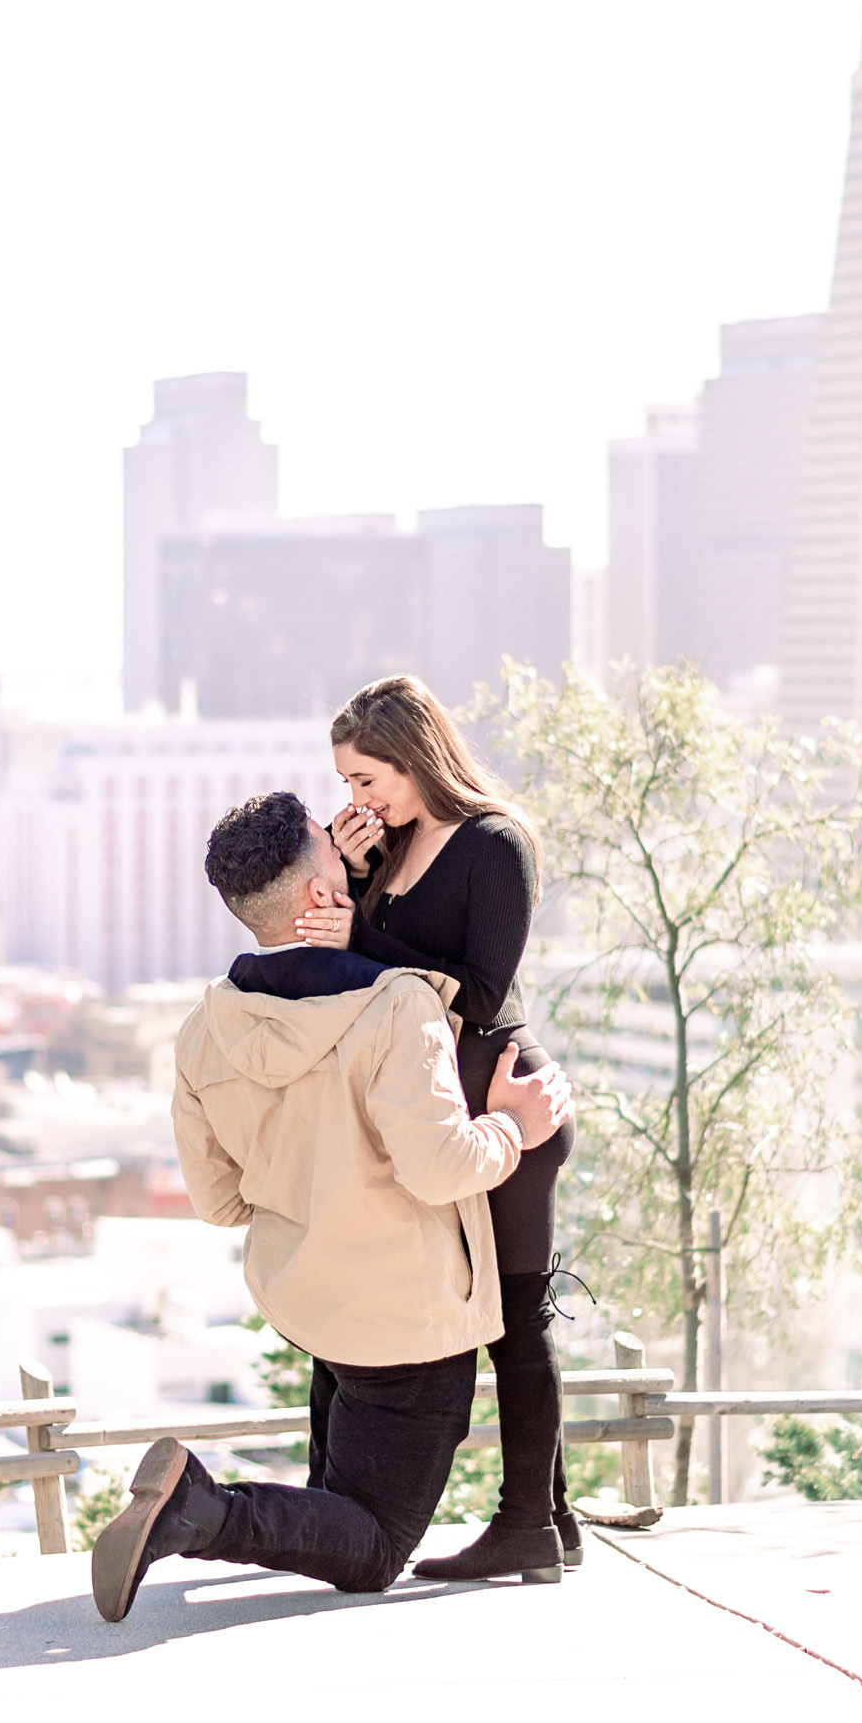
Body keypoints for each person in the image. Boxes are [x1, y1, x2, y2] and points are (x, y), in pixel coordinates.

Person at [90, 791, 573, 1620]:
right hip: (407, 1322)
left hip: (306, 1303)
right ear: (320, 897)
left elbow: (215, 1199)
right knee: (379, 1543)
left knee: (341, 1498)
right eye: (333, 851)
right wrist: (511, 1125)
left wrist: (304, 1184)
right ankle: (198, 1510)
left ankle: (212, 1507)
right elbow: (439, 1168)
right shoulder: (398, 1007)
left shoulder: (206, 1026)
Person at [293, 673, 581, 1583]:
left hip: (505, 1101)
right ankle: (554, 1520)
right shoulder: (401, 845)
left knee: (516, 1320)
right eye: (346, 785)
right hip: (443, 1107)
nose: (357, 800)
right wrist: (353, 876)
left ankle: (525, 1525)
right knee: (497, 1311)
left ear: (417, 760)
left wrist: (357, 938)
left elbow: (479, 989)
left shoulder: (496, 844)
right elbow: (370, 976)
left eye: (368, 780)